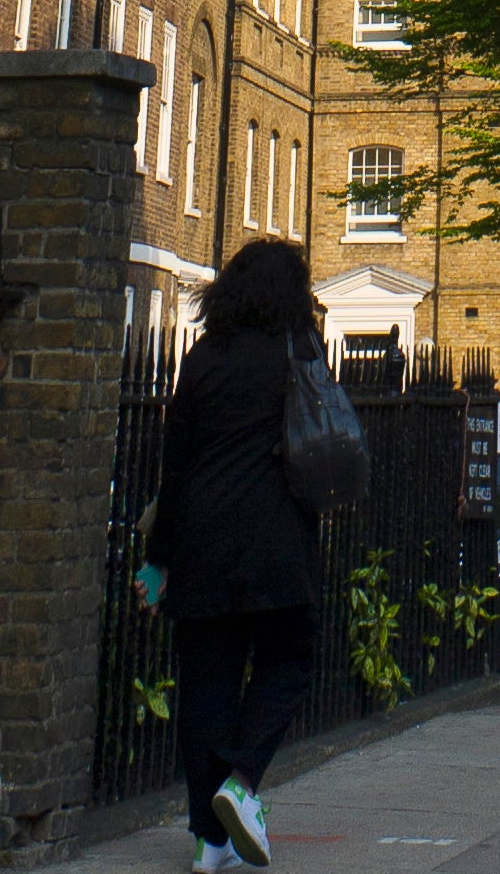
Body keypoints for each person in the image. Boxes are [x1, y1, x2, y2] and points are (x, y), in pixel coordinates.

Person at [139, 238, 326, 874]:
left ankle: (207, 842)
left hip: (199, 542)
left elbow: (175, 465)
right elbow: (319, 436)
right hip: (275, 540)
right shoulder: (296, 351)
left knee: (205, 691)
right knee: (291, 660)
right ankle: (242, 785)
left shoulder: (200, 359)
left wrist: (157, 560)